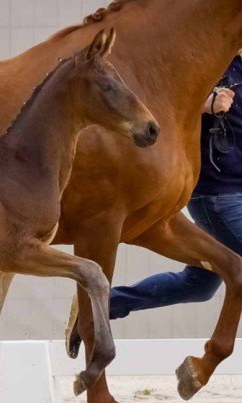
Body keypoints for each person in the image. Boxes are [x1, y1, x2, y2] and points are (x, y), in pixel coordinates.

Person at [66, 51, 242, 357]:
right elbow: (160, 107)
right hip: (218, 195)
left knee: (199, 286)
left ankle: (104, 306)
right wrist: (205, 105)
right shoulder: (211, 59)